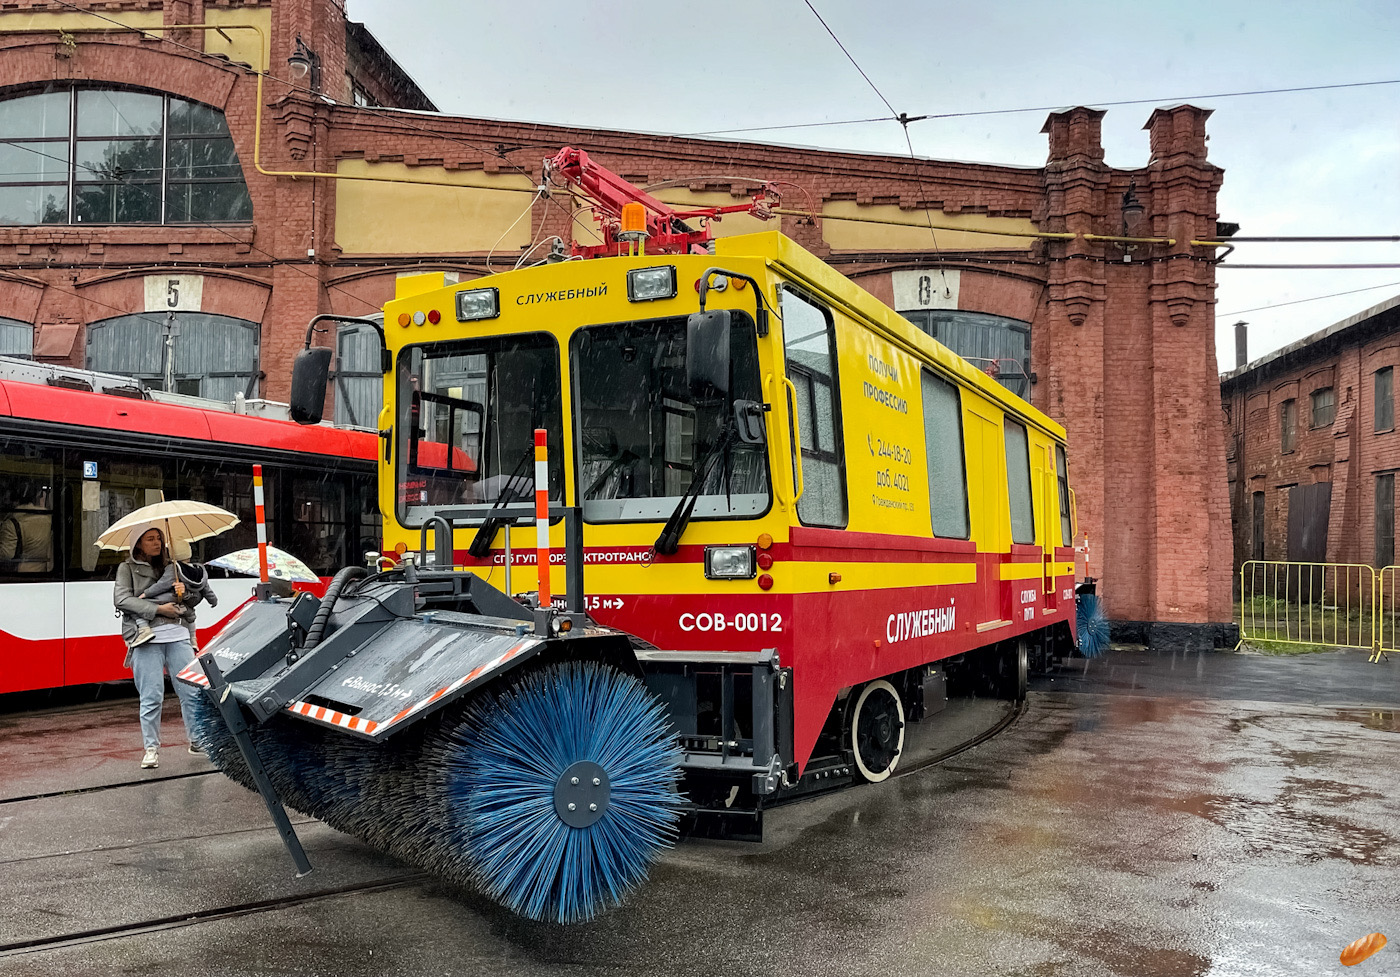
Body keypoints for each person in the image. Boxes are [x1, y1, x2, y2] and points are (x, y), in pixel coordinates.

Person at [114, 524, 204, 769]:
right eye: (150, 539)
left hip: (178, 634)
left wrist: (184, 592)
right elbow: (121, 599)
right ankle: (151, 749)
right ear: (138, 544)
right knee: (152, 696)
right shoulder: (127, 568)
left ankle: (197, 741)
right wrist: (157, 609)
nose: (156, 543)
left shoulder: (173, 566)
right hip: (145, 638)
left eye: (159, 538)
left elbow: (195, 598)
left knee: (191, 691)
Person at [121, 557, 218, 649]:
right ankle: (193, 639)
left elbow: (162, 585)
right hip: (183, 606)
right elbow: (207, 590)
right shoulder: (200, 571)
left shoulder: (173, 568)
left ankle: (144, 628)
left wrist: (146, 594)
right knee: (191, 616)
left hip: (168, 599)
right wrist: (213, 600)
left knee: (138, 606)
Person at [0, 479, 54, 574]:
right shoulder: (47, 518)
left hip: (20, 575)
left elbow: (6, 555)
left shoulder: (13, 523)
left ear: (15, 501)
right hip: (43, 572)